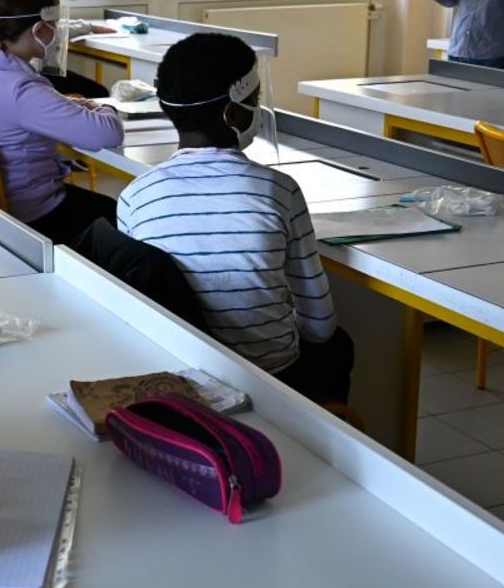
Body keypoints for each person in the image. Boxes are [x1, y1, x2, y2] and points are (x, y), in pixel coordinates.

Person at [116, 33, 352, 404]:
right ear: (232, 113)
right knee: (339, 345)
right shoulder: (280, 191)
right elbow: (320, 325)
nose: (258, 111)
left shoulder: (134, 196)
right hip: (272, 377)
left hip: (180, 377)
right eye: (254, 101)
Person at [0, 0, 124, 246]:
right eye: (55, 26)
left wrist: (67, 105)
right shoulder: (21, 87)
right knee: (116, 213)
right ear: (40, 29)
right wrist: (104, 106)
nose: (57, 33)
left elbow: (31, 109)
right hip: (31, 214)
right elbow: (108, 134)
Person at [0, 0, 113, 99]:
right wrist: (89, 27)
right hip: (39, 71)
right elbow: (54, 30)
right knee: (99, 92)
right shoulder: (27, 5)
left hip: (35, 70)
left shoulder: (4, 3)